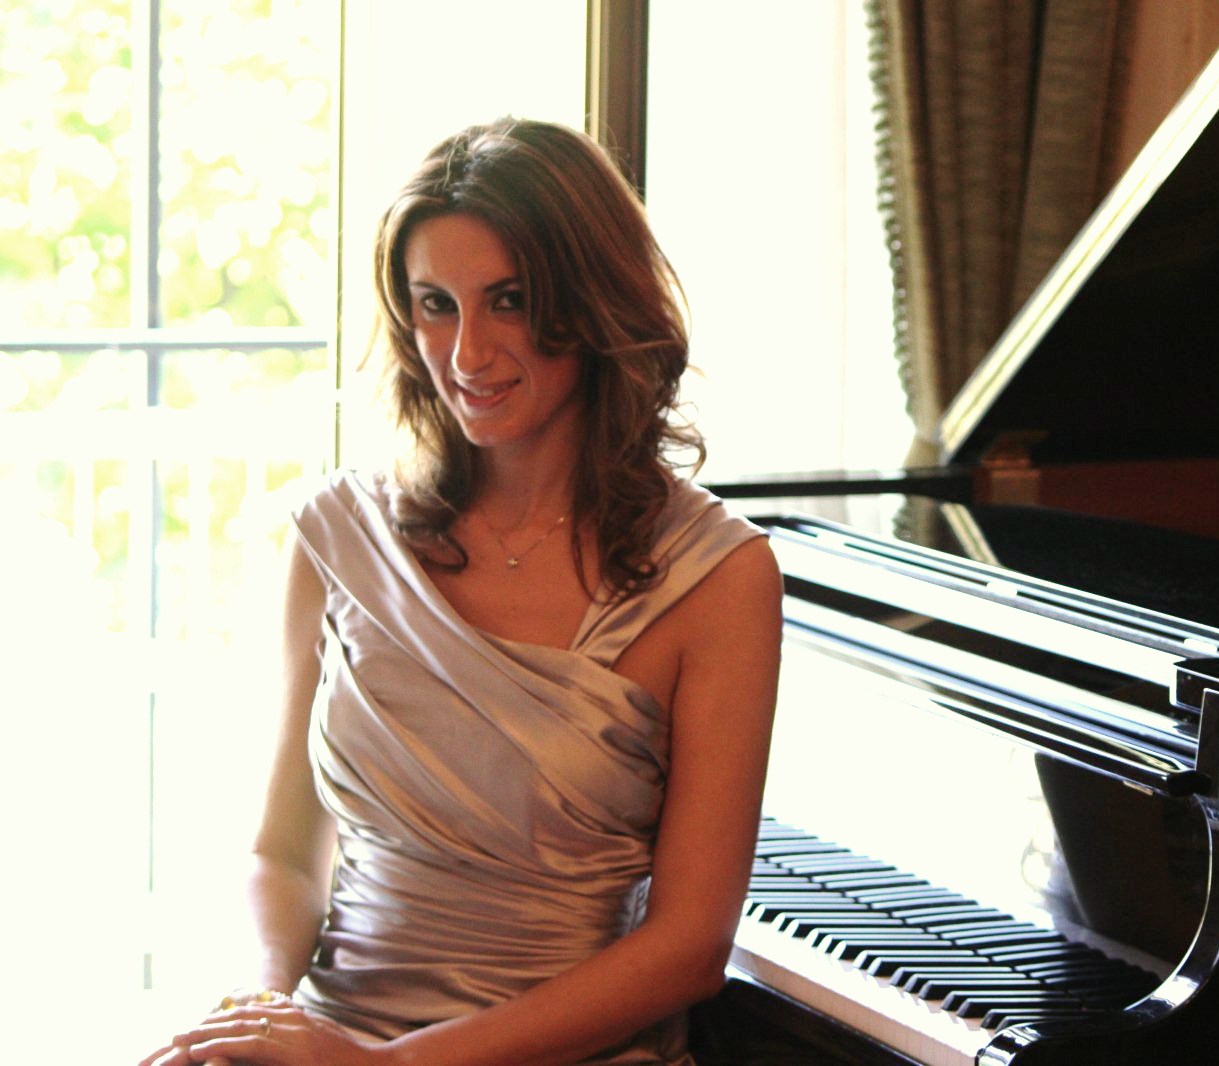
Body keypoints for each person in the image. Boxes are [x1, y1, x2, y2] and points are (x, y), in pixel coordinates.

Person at [140, 118, 783, 1066]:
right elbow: (281, 854)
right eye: (435, 305)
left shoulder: (720, 577)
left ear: (593, 304)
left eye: (509, 302)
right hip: (334, 1041)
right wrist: (262, 1013)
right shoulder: (337, 535)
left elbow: (689, 948)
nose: (467, 354)